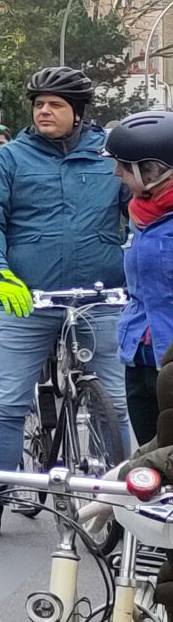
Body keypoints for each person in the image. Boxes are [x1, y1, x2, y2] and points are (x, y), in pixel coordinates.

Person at [0, 64, 131, 540]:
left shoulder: (109, 157)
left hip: (100, 298)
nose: (44, 111)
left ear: (79, 112)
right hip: (27, 300)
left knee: (114, 405)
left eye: (55, 104)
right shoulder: (9, 159)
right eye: (38, 104)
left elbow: (139, 209)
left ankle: (124, 506)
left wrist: (138, 259)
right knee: (8, 404)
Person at [108, 111, 173, 445]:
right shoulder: (139, 215)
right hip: (139, 357)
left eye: (124, 165)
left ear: (153, 169)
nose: (117, 172)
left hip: (170, 362)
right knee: (150, 464)